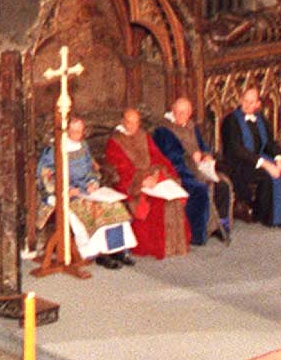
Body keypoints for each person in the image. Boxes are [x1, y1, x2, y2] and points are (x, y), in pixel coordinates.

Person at [35, 114, 134, 268]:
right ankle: (100, 253)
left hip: (86, 190)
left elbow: (91, 168)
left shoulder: (83, 146)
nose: (77, 135)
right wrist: (65, 190)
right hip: (68, 194)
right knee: (98, 211)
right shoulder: (53, 150)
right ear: (65, 131)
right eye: (74, 132)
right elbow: (45, 175)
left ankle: (119, 250)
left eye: (80, 132)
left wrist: (92, 182)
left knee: (115, 206)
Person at [102, 107, 189, 261]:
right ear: (123, 122)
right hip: (132, 183)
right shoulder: (115, 141)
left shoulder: (144, 135)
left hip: (151, 178)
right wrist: (141, 181)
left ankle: (177, 246)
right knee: (155, 203)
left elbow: (157, 158)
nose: (133, 126)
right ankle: (156, 248)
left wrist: (156, 176)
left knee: (173, 196)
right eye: (130, 122)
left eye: (136, 123)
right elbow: (121, 170)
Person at [152, 96, 233, 247]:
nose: (182, 116)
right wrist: (191, 156)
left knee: (223, 184)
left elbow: (203, 146)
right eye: (179, 112)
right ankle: (202, 231)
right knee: (203, 187)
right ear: (173, 111)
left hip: (200, 166)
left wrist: (206, 154)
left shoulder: (191, 125)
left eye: (186, 112)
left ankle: (221, 223)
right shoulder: (164, 130)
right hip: (181, 170)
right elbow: (172, 156)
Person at [220, 85, 281, 228]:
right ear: (240, 100)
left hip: (258, 158)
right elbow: (237, 150)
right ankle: (269, 217)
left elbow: (270, 143)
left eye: (252, 102)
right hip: (239, 164)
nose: (247, 105)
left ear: (258, 104)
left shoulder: (261, 119)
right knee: (270, 175)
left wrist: (279, 160)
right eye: (245, 101)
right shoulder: (231, 121)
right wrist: (265, 164)